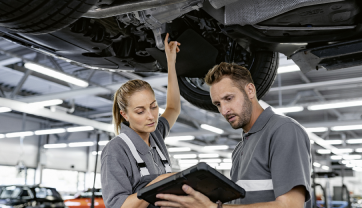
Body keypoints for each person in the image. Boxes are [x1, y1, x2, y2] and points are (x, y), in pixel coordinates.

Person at [155, 62, 311, 208]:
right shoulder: (239, 149)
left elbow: (291, 205)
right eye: (218, 104)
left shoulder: (283, 130)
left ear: (250, 90)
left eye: (228, 98)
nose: (223, 110)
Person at [101, 34, 181, 208]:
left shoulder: (156, 135)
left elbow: (173, 107)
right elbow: (118, 206)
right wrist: (159, 182)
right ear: (125, 115)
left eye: (153, 106)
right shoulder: (116, 150)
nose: (151, 116)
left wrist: (171, 63)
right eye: (140, 111)